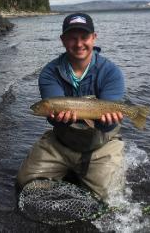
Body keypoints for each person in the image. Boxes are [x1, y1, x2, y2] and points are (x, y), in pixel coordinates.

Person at [17, 13, 125, 201]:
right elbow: (53, 116)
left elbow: (107, 124)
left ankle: (85, 172)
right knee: (25, 186)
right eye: (72, 38)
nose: (79, 43)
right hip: (61, 142)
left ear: (94, 38)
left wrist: (107, 123)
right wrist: (54, 118)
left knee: (110, 200)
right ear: (63, 40)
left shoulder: (111, 72)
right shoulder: (49, 73)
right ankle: (72, 171)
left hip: (101, 145)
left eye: (84, 37)